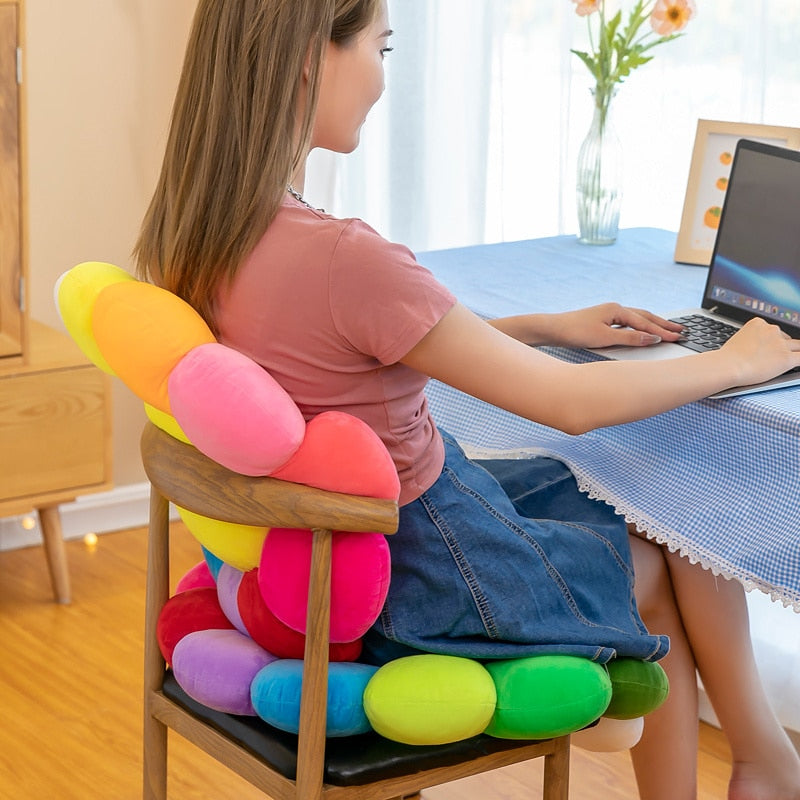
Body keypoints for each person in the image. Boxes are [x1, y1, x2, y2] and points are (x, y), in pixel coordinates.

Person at [134, 1, 800, 798]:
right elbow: (568, 403)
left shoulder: (205, 228)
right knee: (661, 555)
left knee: (660, 502)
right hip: (420, 569)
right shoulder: (346, 257)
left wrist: (541, 324)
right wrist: (733, 361)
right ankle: (760, 766)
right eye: (381, 47)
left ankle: (763, 762)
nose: (384, 78)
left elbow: (347, 342)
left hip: (338, 553)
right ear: (312, 56)